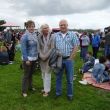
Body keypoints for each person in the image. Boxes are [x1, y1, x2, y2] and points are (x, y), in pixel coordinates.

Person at [54, 19, 79, 100]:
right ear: (59, 26)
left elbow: (76, 46)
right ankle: (58, 93)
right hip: (59, 60)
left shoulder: (72, 34)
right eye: (61, 25)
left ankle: (70, 95)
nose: (62, 26)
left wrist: (70, 58)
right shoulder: (56, 35)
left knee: (70, 79)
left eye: (64, 24)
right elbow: (53, 47)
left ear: (67, 25)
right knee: (58, 77)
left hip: (69, 60)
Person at [21, 20, 39, 97]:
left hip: (34, 57)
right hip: (28, 58)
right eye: (30, 26)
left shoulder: (35, 35)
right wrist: (26, 59)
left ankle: (30, 87)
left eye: (33, 26)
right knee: (26, 75)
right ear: (27, 27)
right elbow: (23, 49)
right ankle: (24, 90)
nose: (32, 28)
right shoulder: (25, 36)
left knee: (31, 74)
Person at [38, 24, 54, 97]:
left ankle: (47, 91)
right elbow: (38, 47)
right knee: (43, 73)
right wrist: (41, 55)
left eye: (47, 28)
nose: (46, 29)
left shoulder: (52, 36)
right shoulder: (39, 36)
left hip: (49, 58)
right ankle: (45, 88)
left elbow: (52, 48)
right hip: (41, 58)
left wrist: (46, 56)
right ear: (41, 30)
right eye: (44, 28)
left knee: (48, 74)